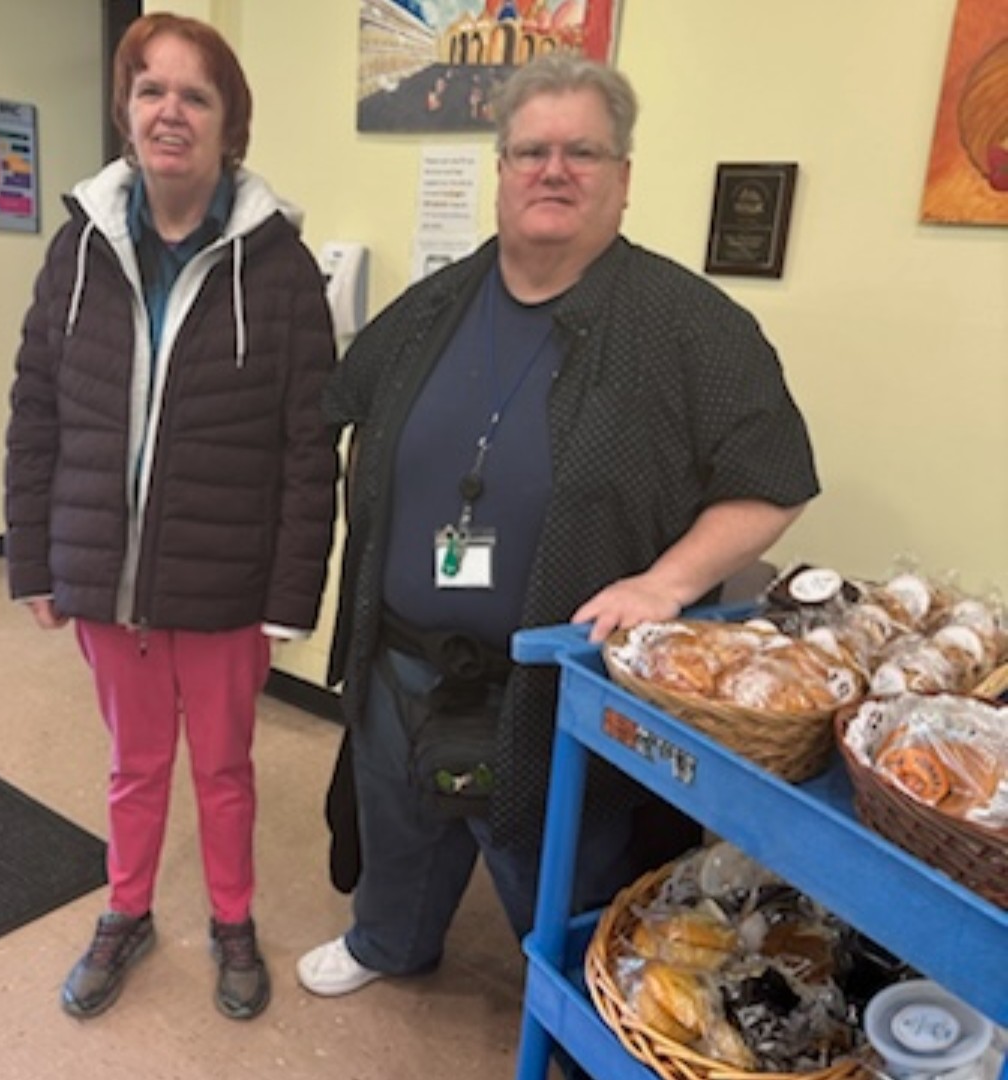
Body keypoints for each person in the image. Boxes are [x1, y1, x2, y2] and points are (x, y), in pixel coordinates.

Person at [296, 52, 819, 999]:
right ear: (500, 172)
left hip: (558, 682)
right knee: (398, 821)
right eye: (530, 149)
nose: (553, 169)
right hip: (403, 659)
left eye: (583, 151)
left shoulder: (690, 325)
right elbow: (342, 418)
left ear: (623, 178)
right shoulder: (430, 309)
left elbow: (773, 481)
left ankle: (588, 1002)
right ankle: (387, 941)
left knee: (566, 866)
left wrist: (664, 583)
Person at [4, 13, 338, 1020]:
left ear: (230, 125)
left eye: (196, 95)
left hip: (227, 581)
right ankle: (128, 908)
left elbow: (308, 445)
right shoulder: (78, 251)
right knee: (133, 766)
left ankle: (232, 919)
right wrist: (33, 558)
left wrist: (292, 591)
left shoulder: (279, 270)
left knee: (226, 770)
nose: (170, 111)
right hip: (106, 572)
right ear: (127, 111)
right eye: (152, 90)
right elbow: (37, 406)